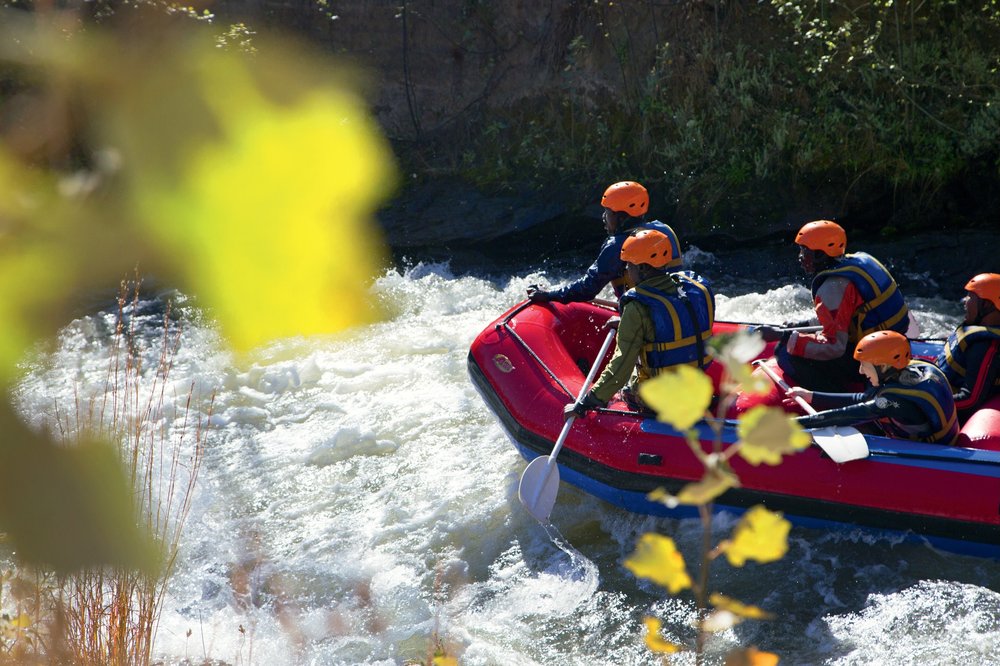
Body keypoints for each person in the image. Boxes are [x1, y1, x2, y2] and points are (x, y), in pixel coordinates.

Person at [564, 229, 714, 417]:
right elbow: (676, 324)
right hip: (698, 388)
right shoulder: (695, 288)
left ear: (642, 268)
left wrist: (586, 402)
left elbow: (620, 368)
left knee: (628, 388)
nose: (626, 270)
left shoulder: (637, 307)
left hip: (661, 400)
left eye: (628, 265)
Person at [756, 220, 916, 392]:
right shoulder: (858, 261)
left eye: (805, 251)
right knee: (795, 339)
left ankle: (832, 394)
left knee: (785, 352)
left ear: (821, 255)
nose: (800, 257)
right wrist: (799, 327)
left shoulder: (831, 288)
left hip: (876, 360)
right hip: (894, 346)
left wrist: (785, 337)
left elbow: (835, 347)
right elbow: (841, 316)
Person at [788, 330, 959, 445]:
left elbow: (844, 416)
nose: (861, 371)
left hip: (929, 453)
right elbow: (864, 399)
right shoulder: (909, 371)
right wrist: (811, 396)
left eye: (864, 365)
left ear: (883, 366)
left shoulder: (893, 400)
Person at [527, 181, 682, 304]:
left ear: (621, 216)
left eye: (607, 212)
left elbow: (587, 288)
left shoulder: (618, 245)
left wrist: (549, 295)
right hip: (675, 307)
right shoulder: (664, 230)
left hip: (644, 315)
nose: (603, 217)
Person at [936, 273, 1000, 419]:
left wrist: (927, 404)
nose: (965, 301)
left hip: (952, 419)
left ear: (988, 305)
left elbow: (970, 400)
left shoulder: (985, 346)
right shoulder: (977, 335)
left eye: (971, 296)